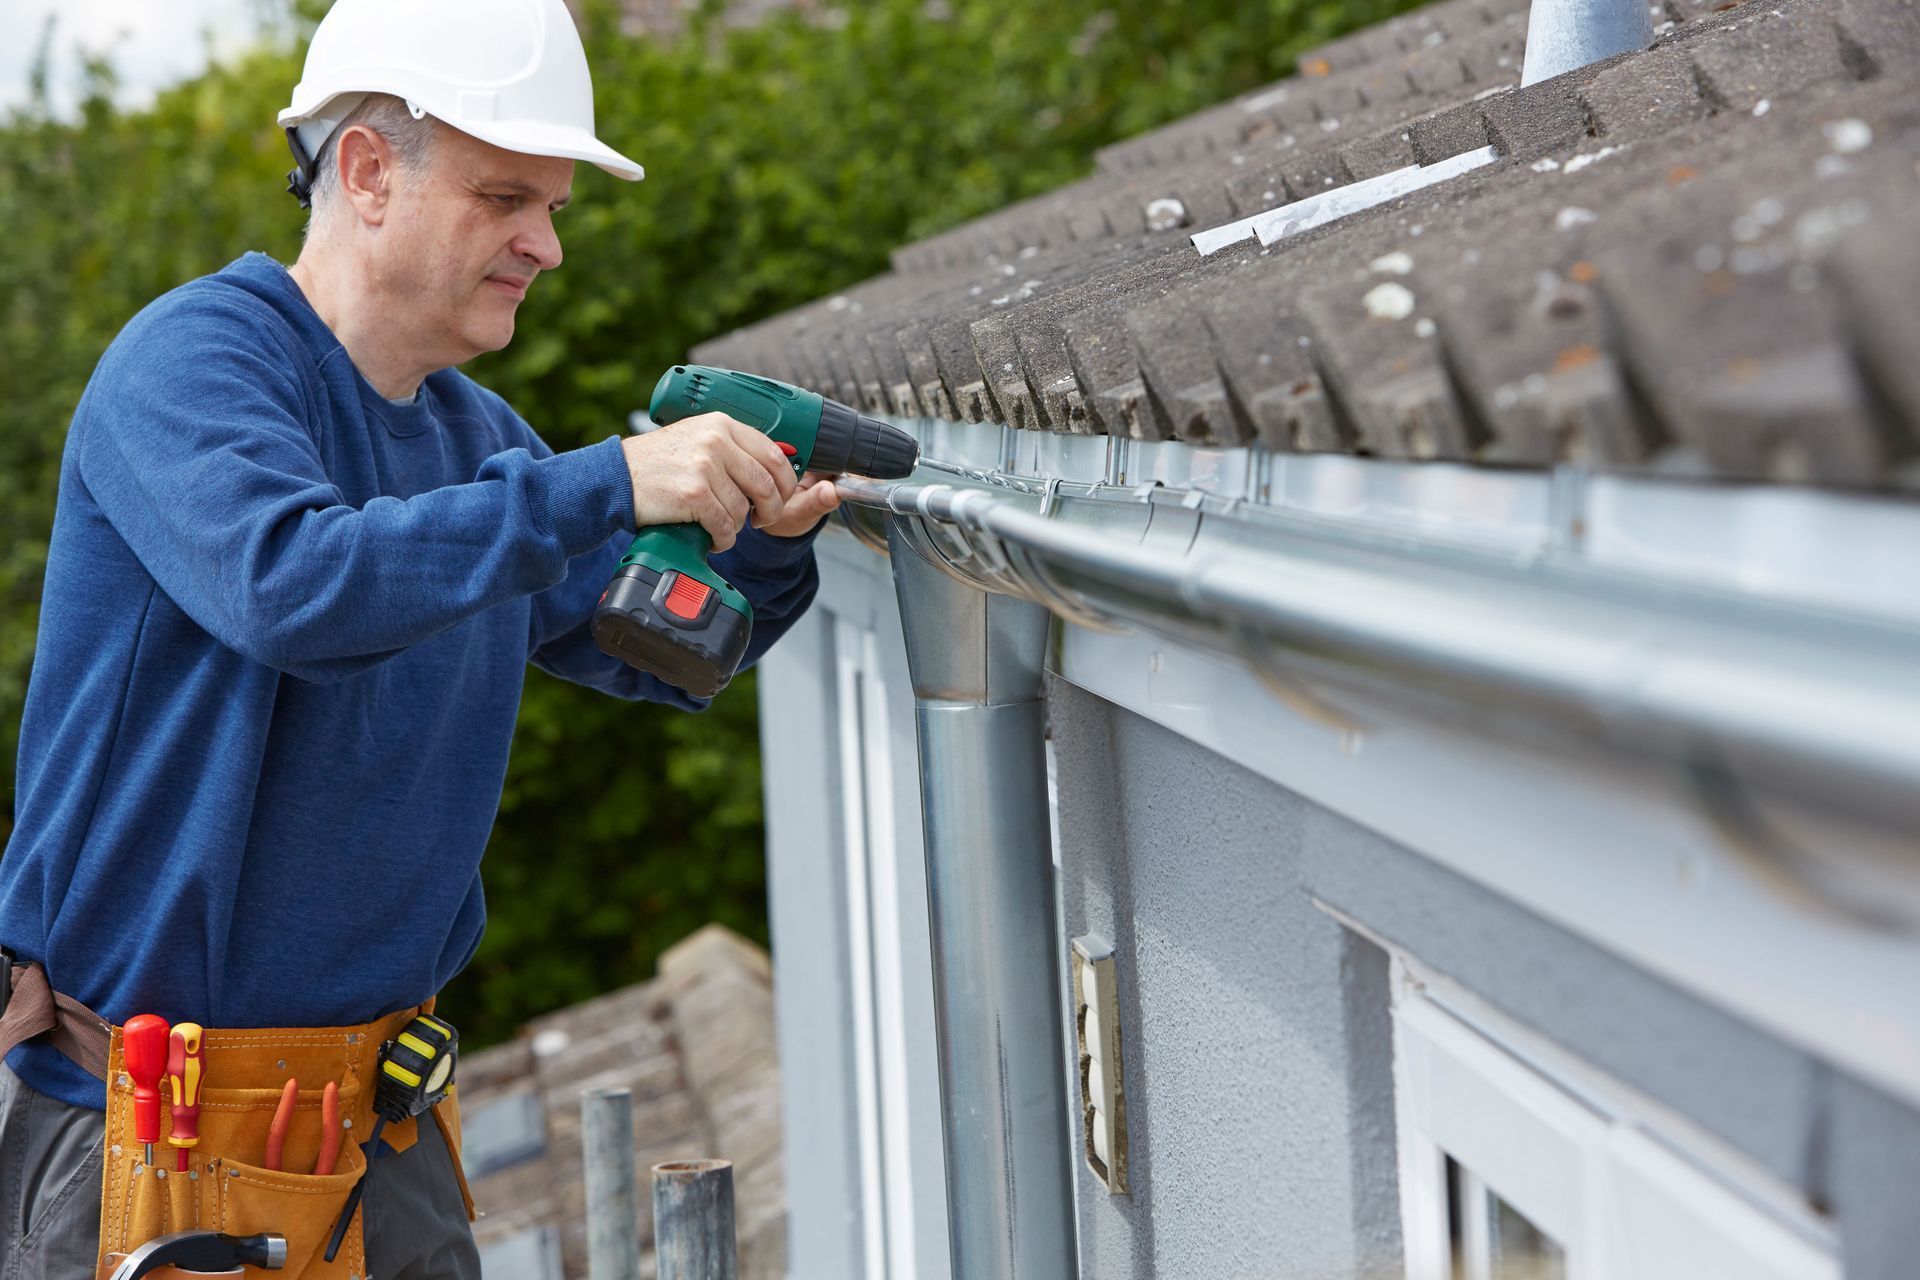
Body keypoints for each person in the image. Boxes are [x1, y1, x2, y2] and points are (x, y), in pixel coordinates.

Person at [0, 1, 836, 1275]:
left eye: (554, 206)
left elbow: (661, 653)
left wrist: (760, 540)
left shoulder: (475, 439)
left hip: (382, 1136)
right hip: (152, 1147)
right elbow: (293, 586)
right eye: (509, 197)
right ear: (369, 171)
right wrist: (611, 479)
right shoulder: (190, 366)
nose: (545, 244)